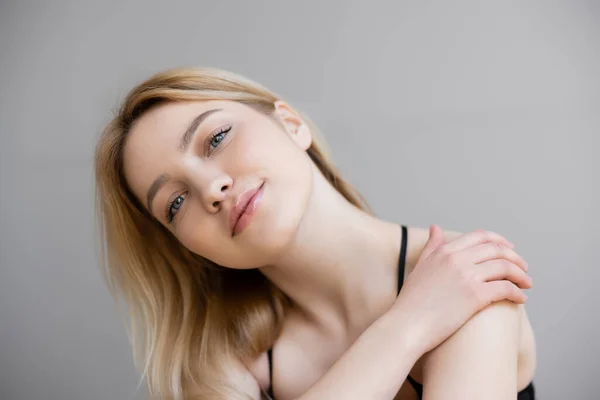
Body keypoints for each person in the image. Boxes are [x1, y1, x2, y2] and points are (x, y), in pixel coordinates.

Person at [94, 67, 536, 400]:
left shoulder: (465, 271)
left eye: (216, 138)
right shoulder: (218, 365)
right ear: (186, 248)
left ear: (291, 123)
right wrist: (408, 325)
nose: (211, 189)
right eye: (174, 203)